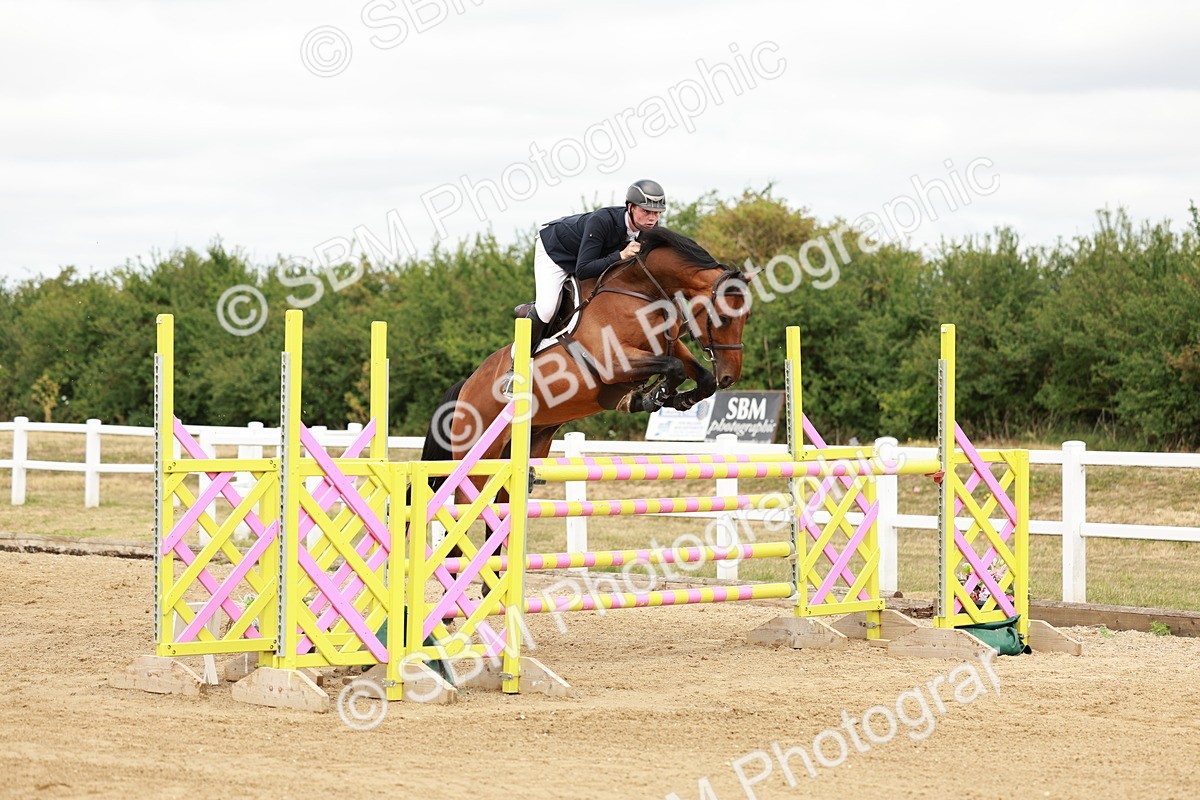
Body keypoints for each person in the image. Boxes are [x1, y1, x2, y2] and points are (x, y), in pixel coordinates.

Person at [501, 179, 667, 395]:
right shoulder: (602, 221)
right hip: (556, 252)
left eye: (657, 213)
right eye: (646, 211)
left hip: (587, 257)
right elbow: (583, 269)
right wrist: (620, 255)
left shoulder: (647, 232)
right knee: (547, 307)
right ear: (630, 207)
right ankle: (516, 368)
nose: (652, 218)